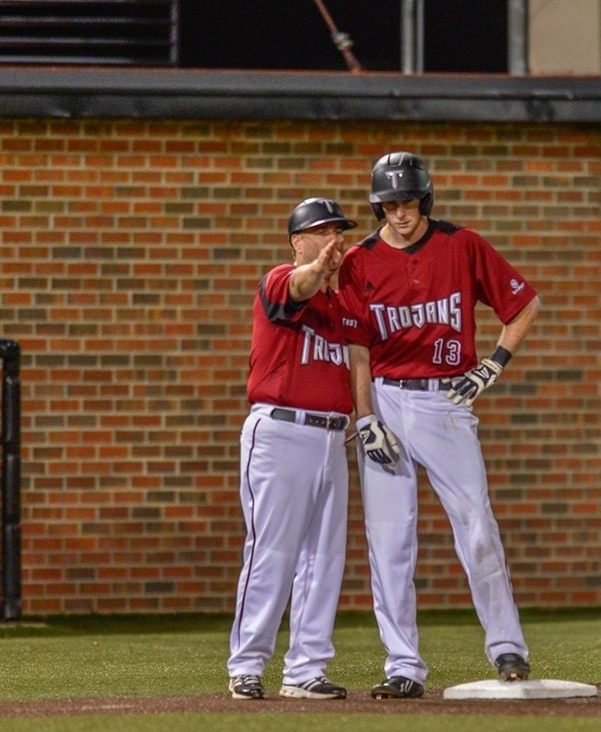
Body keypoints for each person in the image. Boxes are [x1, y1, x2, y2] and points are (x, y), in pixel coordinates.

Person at [337, 152, 541, 699]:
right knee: (389, 541)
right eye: (389, 203)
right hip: (385, 398)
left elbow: (523, 305)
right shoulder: (359, 261)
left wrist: (493, 363)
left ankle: (507, 647)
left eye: (408, 201)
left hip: (445, 400)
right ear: (378, 205)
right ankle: (403, 665)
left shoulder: (462, 244)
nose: (400, 212)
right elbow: (358, 349)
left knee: (476, 523)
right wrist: (364, 418)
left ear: (424, 200)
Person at [226, 197, 357, 700]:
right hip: (280, 431)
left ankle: (306, 669)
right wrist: (315, 269)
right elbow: (299, 287)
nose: (331, 240)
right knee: (272, 554)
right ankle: (247, 665)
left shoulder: (342, 305)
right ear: (297, 241)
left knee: (324, 559)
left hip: (331, 437)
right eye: (320, 231)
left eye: (337, 232)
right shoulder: (282, 278)